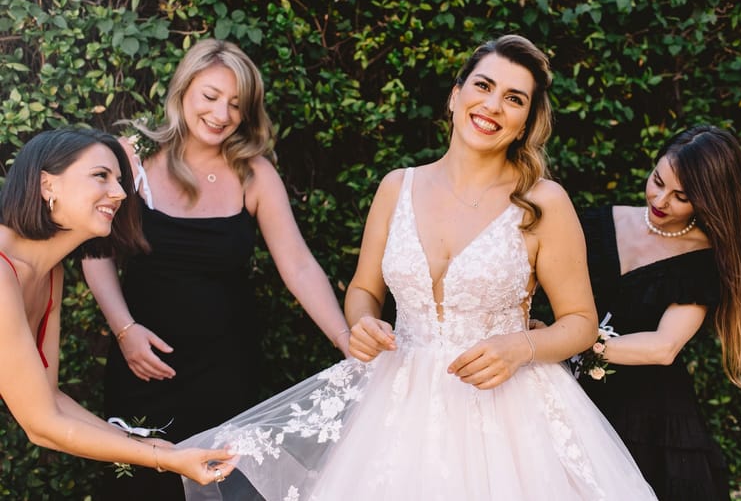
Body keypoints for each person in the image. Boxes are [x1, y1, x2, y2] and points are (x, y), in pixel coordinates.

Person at [178, 35, 656, 500]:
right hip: (396, 406)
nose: (492, 106)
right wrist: (362, 322)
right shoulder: (397, 187)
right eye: (483, 86)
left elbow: (580, 323)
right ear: (456, 95)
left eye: (514, 99)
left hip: (510, 415)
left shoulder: (543, 203)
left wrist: (521, 347)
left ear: (526, 120)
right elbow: (364, 289)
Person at [81, 39, 352, 499]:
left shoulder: (254, 173)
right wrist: (124, 331)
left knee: (227, 489)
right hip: (146, 364)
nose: (221, 114)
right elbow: (95, 251)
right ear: (183, 91)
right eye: (210, 97)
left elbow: (299, 265)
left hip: (227, 370)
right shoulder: (134, 160)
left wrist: (345, 340)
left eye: (236, 105)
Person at [0, 128, 235, 486]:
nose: (121, 193)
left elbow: (50, 401)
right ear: (48, 185)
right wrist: (162, 458)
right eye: (101, 176)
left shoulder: (51, 273)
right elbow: (41, 425)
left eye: (121, 180)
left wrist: (161, 450)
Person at [575, 125, 741, 500]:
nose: (660, 200)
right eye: (657, 181)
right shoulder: (596, 222)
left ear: (707, 201)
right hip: (572, 400)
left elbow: (664, 347)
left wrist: (568, 342)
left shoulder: (703, 260)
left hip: (650, 420)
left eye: (682, 196)